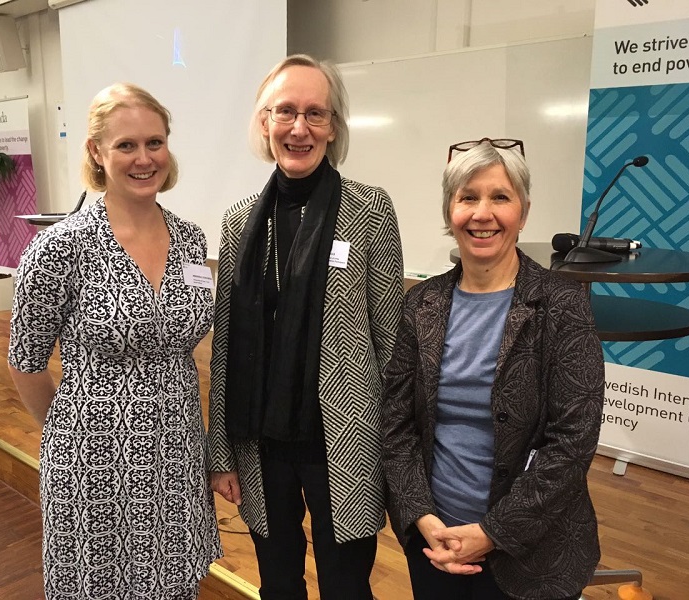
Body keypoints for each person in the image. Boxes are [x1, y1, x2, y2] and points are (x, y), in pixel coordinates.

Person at [7, 83, 221, 600]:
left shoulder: (190, 239)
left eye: (154, 143)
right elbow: (25, 362)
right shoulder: (60, 248)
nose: (144, 159)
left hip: (177, 457)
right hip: (95, 465)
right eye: (126, 145)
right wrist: (73, 431)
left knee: (174, 586)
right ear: (96, 152)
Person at [208, 54, 404, 599]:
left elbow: (392, 342)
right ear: (264, 122)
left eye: (315, 113)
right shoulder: (239, 221)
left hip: (346, 438)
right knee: (278, 583)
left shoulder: (369, 209)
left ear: (333, 127)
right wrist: (220, 453)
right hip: (261, 440)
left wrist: (399, 451)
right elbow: (226, 346)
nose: (300, 128)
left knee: (346, 587)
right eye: (286, 112)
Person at [381, 138, 604, 600]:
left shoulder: (562, 305)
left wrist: (493, 532)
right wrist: (421, 516)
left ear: (523, 212)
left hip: (533, 554)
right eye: (467, 197)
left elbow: (572, 442)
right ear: (450, 212)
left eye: (500, 197)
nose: (482, 214)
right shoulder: (421, 304)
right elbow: (396, 426)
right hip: (435, 542)